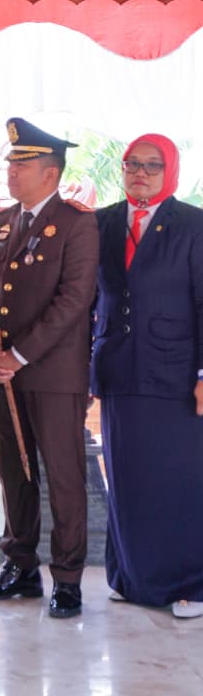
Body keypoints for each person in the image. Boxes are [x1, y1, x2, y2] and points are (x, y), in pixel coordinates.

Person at [0, 117, 98, 619]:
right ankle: (19, 566)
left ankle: (67, 579)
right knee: (12, 472)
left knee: (63, 475)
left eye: (21, 165)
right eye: (9, 163)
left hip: (52, 372)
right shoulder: (2, 222)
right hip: (2, 372)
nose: (10, 172)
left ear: (50, 171)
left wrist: (20, 355)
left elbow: (74, 301)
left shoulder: (77, 223)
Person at [91, 133, 203, 620]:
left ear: (170, 171)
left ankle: (190, 586)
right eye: (133, 163)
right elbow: (90, 300)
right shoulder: (101, 224)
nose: (140, 172)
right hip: (118, 368)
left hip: (175, 374)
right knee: (127, 477)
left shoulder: (194, 225)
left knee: (177, 480)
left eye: (153, 166)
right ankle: (129, 578)